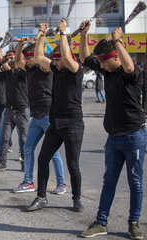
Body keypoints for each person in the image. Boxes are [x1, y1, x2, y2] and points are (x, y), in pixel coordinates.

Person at [78, 21, 147, 239]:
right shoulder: (107, 70)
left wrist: (118, 41)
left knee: (135, 182)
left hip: (134, 136)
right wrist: (83, 34)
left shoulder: (132, 74)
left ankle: (134, 223)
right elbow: (84, 58)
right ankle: (101, 222)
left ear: (116, 56)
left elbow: (129, 67)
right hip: (113, 137)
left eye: (104, 62)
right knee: (109, 180)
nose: (100, 66)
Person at [24, 20, 84, 212]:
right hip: (56, 124)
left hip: (73, 124)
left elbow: (66, 56)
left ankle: (76, 198)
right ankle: (41, 197)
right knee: (43, 158)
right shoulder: (56, 70)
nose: (55, 63)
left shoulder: (76, 70)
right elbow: (39, 55)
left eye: (57, 60)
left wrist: (63, 33)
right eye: (55, 60)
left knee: (73, 164)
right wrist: (41, 34)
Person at [12, 37, 66, 194]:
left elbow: (40, 57)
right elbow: (17, 62)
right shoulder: (28, 69)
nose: (27, 61)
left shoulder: (45, 67)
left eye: (30, 58)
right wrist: (20, 45)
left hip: (48, 115)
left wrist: (40, 36)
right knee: (28, 148)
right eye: (26, 58)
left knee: (53, 152)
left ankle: (61, 183)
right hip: (36, 117)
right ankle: (28, 182)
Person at [0, 50, 30, 173]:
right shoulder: (6, 74)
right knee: (4, 138)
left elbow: (24, 67)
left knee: (23, 139)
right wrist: (1, 62)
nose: (11, 61)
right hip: (9, 111)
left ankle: (24, 163)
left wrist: (18, 60)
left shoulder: (23, 73)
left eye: (13, 58)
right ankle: (2, 163)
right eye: (9, 58)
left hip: (22, 111)